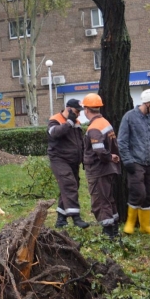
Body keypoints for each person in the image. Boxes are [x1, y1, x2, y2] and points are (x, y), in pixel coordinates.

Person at [118, 89, 150, 236]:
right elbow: (122, 141)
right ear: (147, 103)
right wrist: (127, 161)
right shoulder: (129, 117)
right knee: (138, 192)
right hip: (135, 162)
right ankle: (129, 223)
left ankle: (145, 226)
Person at [81, 93, 121, 239]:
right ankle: (114, 229)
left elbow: (99, 151)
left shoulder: (94, 128)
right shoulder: (105, 122)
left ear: (86, 109)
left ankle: (108, 234)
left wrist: (109, 157)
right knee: (109, 199)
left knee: (100, 201)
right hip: (109, 169)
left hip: (98, 170)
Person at [48, 98, 89, 229]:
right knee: (69, 185)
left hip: (73, 161)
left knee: (70, 187)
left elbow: (79, 142)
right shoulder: (55, 120)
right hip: (59, 159)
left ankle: (61, 219)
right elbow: (55, 133)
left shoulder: (76, 122)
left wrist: (84, 158)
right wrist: (69, 122)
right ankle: (76, 218)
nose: (79, 114)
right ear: (69, 109)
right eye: (77, 111)